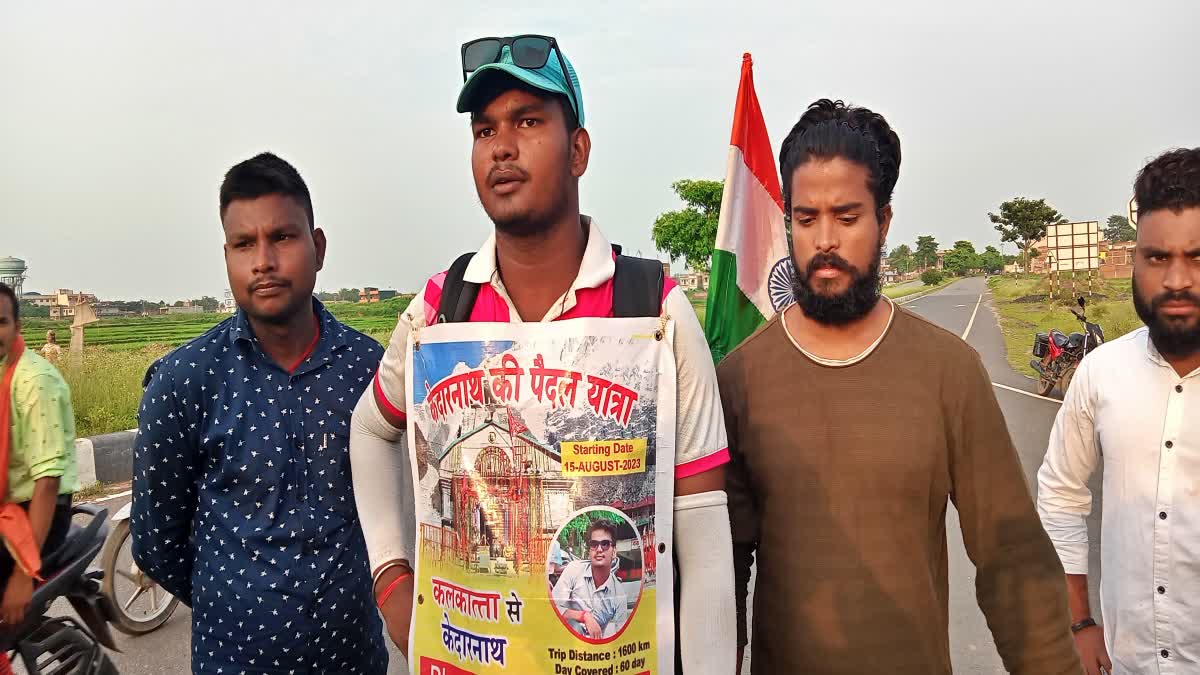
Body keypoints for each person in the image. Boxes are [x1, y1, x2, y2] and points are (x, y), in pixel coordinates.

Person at [349, 34, 736, 672]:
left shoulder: (653, 312)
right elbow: (370, 427)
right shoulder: (441, 310)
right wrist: (392, 579)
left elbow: (705, 543)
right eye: (484, 129)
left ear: (578, 149)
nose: (502, 145)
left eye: (529, 121)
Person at [719, 99, 1082, 674]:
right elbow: (723, 573)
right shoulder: (738, 381)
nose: (825, 240)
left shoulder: (948, 371)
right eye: (806, 218)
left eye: (847, 216)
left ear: (883, 221)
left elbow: (1010, 557)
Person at [129, 153, 388, 674]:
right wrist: (239, 597)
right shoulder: (185, 382)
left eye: (283, 238)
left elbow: (397, 509)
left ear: (317, 247)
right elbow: (158, 543)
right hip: (235, 661)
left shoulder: (370, 370)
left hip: (354, 658)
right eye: (244, 244)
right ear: (226, 256)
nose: (263, 261)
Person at [1037, 147, 1200, 675]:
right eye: (1157, 257)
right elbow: (1061, 496)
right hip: (1127, 663)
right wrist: (1079, 622)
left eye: (1198, 257)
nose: (1177, 280)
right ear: (1134, 261)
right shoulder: (1100, 372)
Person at [0, 283, 78, 672]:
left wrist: (20, 574)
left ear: (16, 326)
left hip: (37, 509)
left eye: (0, 321)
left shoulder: (35, 381)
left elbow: (46, 482)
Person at [552, 519, 629, 639]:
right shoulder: (574, 569)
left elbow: (621, 637)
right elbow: (552, 607)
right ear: (590, 551)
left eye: (605, 544)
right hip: (564, 643)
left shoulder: (619, 596)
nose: (599, 549)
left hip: (593, 650)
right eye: (594, 544)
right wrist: (584, 616)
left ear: (614, 552)